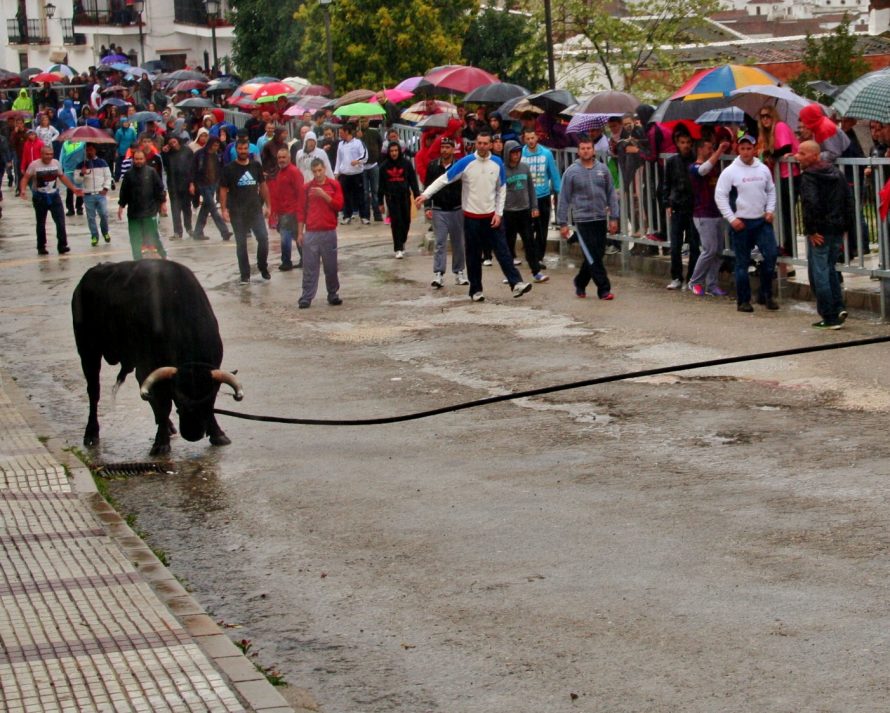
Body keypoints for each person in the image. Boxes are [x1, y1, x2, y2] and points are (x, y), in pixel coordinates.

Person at [415, 129, 532, 302]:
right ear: (476, 144)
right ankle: (476, 290)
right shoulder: (466, 162)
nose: (483, 146)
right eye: (480, 143)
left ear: (491, 144)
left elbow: (502, 189)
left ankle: (516, 284)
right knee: (473, 255)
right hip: (471, 218)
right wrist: (426, 194)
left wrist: (499, 213)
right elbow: (445, 178)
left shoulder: (497, 162)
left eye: (486, 143)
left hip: (492, 217)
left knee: (503, 251)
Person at [714, 134, 778, 313]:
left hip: (761, 221)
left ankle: (766, 293)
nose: (746, 152)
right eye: (742, 149)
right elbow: (720, 195)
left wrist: (770, 210)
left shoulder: (763, 169)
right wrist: (731, 218)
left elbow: (771, 190)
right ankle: (743, 300)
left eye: (749, 148)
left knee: (771, 255)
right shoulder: (730, 172)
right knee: (742, 263)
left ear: (754, 149)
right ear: (738, 150)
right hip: (741, 222)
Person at [796, 140, 852, 329]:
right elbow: (848, 199)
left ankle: (829, 316)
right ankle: (838, 307)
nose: (798, 157)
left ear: (814, 155)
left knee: (819, 273)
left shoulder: (809, 177)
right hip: (836, 228)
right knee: (830, 269)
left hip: (820, 231)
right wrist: (846, 226)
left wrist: (811, 230)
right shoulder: (837, 173)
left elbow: (810, 204)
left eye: (802, 154)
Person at [556, 135, 619, 300]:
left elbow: (611, 193)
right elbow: (564, 198)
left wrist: (614, 217)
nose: (586, 151)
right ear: (578, 151)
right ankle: (604, 289)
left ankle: (580, 281)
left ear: (593, 150)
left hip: (600, 217)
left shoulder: (603, 169)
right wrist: (562, 223)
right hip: (582, 220)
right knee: (591, 255)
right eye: (583, 148)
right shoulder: (571, 172)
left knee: (597, 254)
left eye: (588, 148)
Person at [219, 137, 271, 284]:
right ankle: (245, 274)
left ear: (249, 149)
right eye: (240, 149)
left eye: (245, 149)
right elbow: (223, 190)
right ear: (236, 150)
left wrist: (268, 205)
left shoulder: (255, 166)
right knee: (241, 244)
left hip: (255, 209)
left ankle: (263, 266)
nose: (243, 151)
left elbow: (263, 186)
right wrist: (224, 210)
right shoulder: (228, 169)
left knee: (263, 239)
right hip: (237, 211)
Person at [19, 143, 83, 255]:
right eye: (47, 154)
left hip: (54, 196)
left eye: (51, 154)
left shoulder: (56, 163)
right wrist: (23, 190)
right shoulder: (34, 165)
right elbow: (25, 178)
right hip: (40, 197)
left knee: (60, 222)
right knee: (41, 223)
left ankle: (62, 245)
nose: (49, 156)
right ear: (41, 154)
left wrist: (73, 188)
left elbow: (61, 176)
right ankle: (41, 246)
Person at [687, 138, 731, 297]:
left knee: (718, 251)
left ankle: (712, 284)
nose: (711, 150)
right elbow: (702, 170)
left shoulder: (714, 168)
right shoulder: (694, 167)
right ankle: (695, 281)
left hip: (716, 212)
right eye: (708, 147)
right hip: (702, 214)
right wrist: (719, 151)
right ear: (699, 149)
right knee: (709, 249)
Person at [298, 158, 344, 308]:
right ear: (312, 172)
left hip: (329, 231)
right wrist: (300, 232)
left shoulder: (334, 185)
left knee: (331, 266)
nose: (318, 174)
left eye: (320, 170)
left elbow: (339, 205)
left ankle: (333, 293)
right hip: (311, 231)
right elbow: (301, 211)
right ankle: (306, 296)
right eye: (315, 171)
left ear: (324, 169)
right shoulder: (307, 188)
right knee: (309, 267)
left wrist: (324, 195)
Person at [756, 105, 800, 262]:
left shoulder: (780, 126)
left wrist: (769, 153)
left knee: (787, 212)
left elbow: (785, 147)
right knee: (782, 212)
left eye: (767, 115)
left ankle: (789, 247)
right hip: (781, 176)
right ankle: (785, 244)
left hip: (791, 175)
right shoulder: (767, 134)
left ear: (773, 116)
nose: (765, 119)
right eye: (762, 116)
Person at [424, 137, 468, 288]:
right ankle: (438, 273)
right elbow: (428, 186)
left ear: (453, 149)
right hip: (439, 210)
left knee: (458, 243)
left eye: (447, 147)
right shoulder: (432, 166)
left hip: (457, 209)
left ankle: (459, 272)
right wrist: (427, 206)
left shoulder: (460, 166)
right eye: (442, 147)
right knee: (440, 242)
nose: (444, 150)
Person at [503, 140, 547, 283]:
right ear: (507, 154)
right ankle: (509, 275)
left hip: (524, 211)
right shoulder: (502, 170)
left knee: (529, 242)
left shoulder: (525, 168)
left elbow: (531, 189)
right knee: (509, 244)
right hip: (508, 212)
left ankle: (536, 272)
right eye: (513, 153)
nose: (516, 155)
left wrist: (534, 207)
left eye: (518, 152)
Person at [661, 130, 699, 289]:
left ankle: (691, 277)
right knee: (675, 245)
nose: (685, 146)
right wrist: (667, 203)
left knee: (694, 245)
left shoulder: (696, 161)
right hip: (677, 205)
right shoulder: (671, 162)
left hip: (693, 206)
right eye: (682, 142)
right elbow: (666, 184)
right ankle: (676, 276)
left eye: (688, 142)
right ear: (677, 143)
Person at [520, 128, 561, 268]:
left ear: (537, 138)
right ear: (524, 139)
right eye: (528, 138)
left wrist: (558, 191)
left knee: (542, 229)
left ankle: (538, 257)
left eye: (533, 138)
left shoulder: (546, 154)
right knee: (527, 229)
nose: (531, 141)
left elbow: (553, 173)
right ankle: (531, 255)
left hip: (543, 196)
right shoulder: (520, 155)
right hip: (526, 198)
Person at [117, 148, 168, 260]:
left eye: (140, 159)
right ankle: (137, 260)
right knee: (135, 239)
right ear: (133, 160)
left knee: (154, 237)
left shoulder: (151, 172)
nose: (138, 161)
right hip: (133, 213)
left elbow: (159, 189)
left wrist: (163, 203)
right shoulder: (129, 174)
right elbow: (124, 192)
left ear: (145, 159)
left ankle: (164, 257)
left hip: (149, 212)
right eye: (136, 159)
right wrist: (121, 206)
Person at [377, 140, 421, 259]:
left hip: (405, 197)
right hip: (391, 198)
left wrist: (417, 197)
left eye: (396, 150)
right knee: (396, 222)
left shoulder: (406, 164)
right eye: (392, 151)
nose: (394, 153)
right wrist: (380, 202)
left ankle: (402, 241)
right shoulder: (383, 167)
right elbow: (380, 186)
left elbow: (413, 182)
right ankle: (398, 248)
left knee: (406, 221)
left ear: (400, 151)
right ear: (388, 152)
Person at [266, 147, 306, 271]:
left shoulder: (294, 172)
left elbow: (301, 192)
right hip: (283, 211)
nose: (281, 160)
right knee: (295, 235)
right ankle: (305, 258)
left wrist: (300, 210)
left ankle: (286, 261)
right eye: (279, 158)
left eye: (284, 157)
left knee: (286, 237)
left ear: (289, 158)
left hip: (291, 211)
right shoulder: (281, 172)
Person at [190, 136, 231, 241]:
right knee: (213, 209)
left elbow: (220, 169)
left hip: (213, 184)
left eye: (217, 145)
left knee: (205, 208)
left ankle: (197, 232)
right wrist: (192, 183)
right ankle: (224, 232)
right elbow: (193, 170)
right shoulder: (199, 154)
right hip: (202, 184)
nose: (216, 147)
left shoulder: (217, 155)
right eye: (214, 145)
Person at [73, 142, 112, 246]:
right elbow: (77, 180)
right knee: (91, 217)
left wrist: (105, 188)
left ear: (95, 150)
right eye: (87, 150)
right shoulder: (81, 165)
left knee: (104, 214)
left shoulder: (102, 163)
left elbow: (108, 176)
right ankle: (94, 235)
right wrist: (82, 173)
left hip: (100, 194)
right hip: (88, 195)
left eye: (91, 149)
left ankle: (105, 232)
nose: (89, 152)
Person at [161, 136, 194, 240]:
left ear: (178, 141)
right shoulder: (168, 153)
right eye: (170, 143)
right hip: (173, 185)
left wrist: (192, 183)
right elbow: (165, 166)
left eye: (174, 142)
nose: (173, 144)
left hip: (186, 183)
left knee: (187, 208)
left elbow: (192, 167)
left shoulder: (187, 151)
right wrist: (164, 152)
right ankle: (177, 232)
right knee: (175, 209)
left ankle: (189, 228)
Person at [334, 123, 368, 224]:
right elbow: (338, 159)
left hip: (357, 174)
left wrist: (358, 161)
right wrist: (337, 172)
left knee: (360, 195)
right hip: (345, 174)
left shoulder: (358, 143)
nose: (340, 134)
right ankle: (347, 216)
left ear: (347, 132)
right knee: (345, 196)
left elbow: (365, 155)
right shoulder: (340, 144)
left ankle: (364, 216)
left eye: (341, 132)